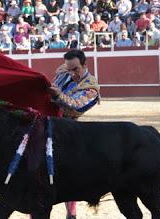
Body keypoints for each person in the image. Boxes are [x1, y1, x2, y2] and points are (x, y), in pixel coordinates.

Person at [48, 49, 100, 219]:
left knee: (67, 172)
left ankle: (71, 213)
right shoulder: (64, 69)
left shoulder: (91, 86)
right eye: (69, 68)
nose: (71, 73)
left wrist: (57, 95)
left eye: (75, 69)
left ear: (85, 65)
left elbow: (77, 106)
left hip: (68, 130)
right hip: (48, 123)